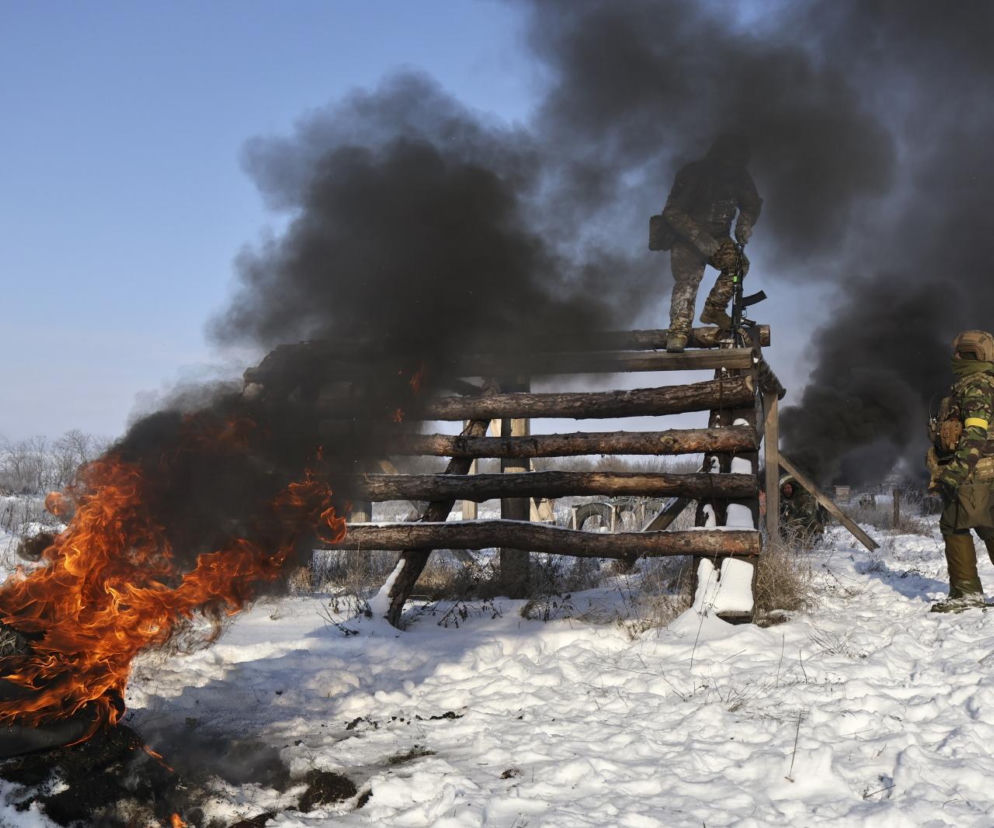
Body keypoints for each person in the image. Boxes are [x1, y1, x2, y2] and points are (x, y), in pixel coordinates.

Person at [660, 134, 763, 352]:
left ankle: (714, 309)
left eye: (737, 161)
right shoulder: (694, 174)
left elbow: (751, 204)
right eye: (729, 160)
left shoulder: (740, 177)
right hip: (686, 239)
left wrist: (744, 224)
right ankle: (678, 332)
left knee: (737, 266)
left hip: (718, 237)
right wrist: (698, 237)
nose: (732, 166)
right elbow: (672, 212)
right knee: (687, 284)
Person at [927, 330, 994, 612]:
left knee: (954, 525)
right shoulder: (981, 384)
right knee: (988, 526)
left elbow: (976, 434)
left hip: (973, 473)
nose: (953, 358)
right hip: (984, 471)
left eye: (957, 354)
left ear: (968, 356)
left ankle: (966, 594)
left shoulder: (975, 386)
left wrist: (954, 473)